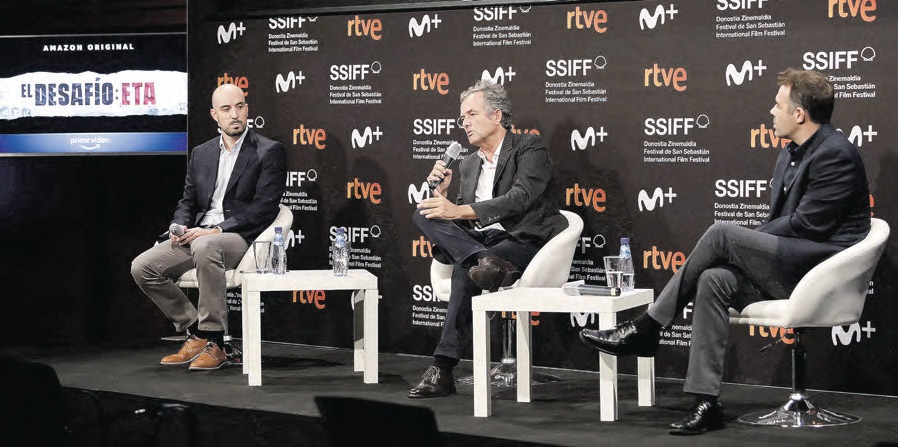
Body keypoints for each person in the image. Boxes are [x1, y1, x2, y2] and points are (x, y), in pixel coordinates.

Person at [579, 68, 870, 434]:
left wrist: (745, 241)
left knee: (721, 235)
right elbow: (784, 224)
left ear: (799, 114)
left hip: (820, 273)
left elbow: (808, 225)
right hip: (789, 264)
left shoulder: (836, 154)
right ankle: (706, 403)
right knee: (714, 279)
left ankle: (647, 327)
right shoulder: (790, 154)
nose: (771, 111)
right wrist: (748, 245)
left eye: (778, 105)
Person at [409, 80, 568, 398]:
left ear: (496, 116)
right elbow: (465, 219)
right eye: (462, 117)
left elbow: (521, 197)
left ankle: (443, 368)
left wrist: (457, 211)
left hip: (523, 239)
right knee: (423, 213)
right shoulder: (468, 164)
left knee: (465, 269)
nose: (464, 122)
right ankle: (483, 260)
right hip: (484, 244)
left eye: (471, 114)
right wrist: (443, 198)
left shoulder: (528, 147)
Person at [131, 83, 287, 371]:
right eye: (226, 109)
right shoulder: (201, 153)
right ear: (215, 115)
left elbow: (264, 208)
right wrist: (179, 225)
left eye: (239, 106)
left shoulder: (268, 151)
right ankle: (196, 332)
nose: (234, 114)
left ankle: (217, 341)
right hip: (199, 235)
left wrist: (216, 230)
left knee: (205, 245)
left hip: (238, 237)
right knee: (143, 267)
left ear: (247, 109)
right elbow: (188, 201)